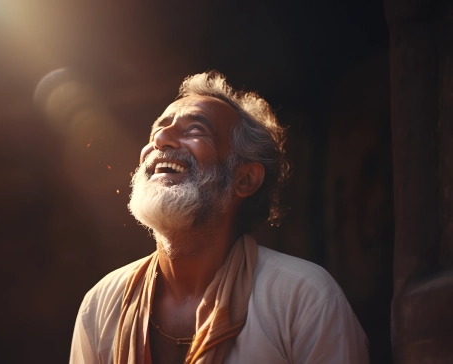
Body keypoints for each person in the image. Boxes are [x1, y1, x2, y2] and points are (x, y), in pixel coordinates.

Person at [70, 71, 369, 364]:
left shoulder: (303, 296)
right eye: (157, 130)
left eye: (195, 130)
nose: (161, 138)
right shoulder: (101, 304)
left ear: (245, 180)